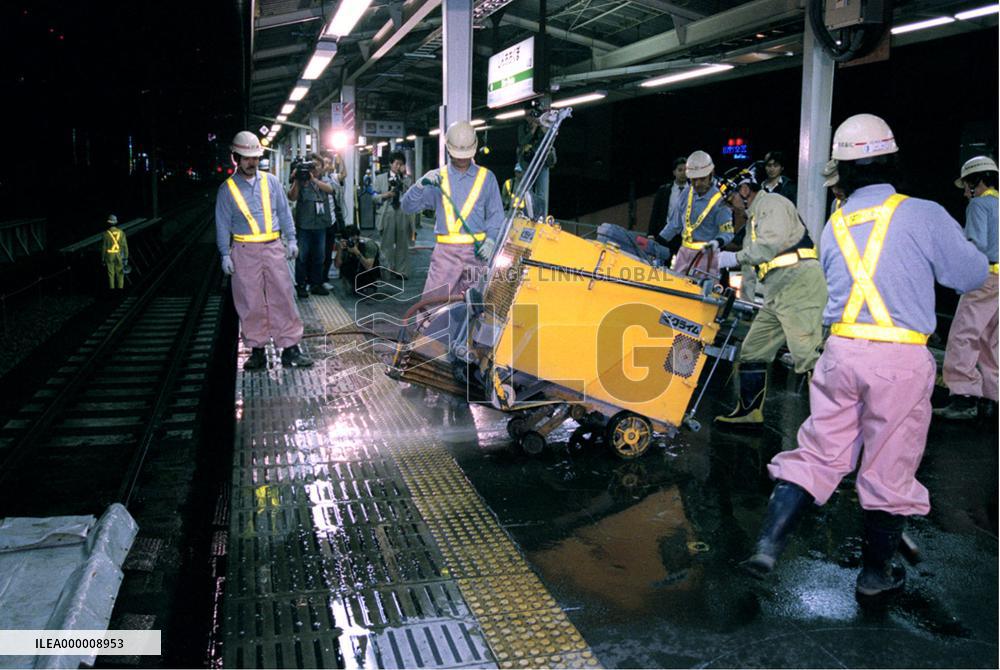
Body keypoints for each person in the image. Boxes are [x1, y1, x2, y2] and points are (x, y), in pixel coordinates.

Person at [741, 114, 987, 598]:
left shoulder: (836, 224)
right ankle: (875, 575)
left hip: (840, 352)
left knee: (818, 450)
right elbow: (972, 276)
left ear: (844, 173)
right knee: (889, 466)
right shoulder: (924, 213)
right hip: (899, 360)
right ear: (892, 161)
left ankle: (769, 542)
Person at [713, 169, 826, 428]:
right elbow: (760, 256)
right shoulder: (755, 218)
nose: (731, 204)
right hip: (778, 291)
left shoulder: (772, 204)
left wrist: (734, 258)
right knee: (753, 349)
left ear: (744, 190)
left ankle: (833, 423)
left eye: (730, 197)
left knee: (806, 354)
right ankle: (749, 413)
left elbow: (769, 245)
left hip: (799, 285)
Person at [215, 131, 312, 370]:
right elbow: (222, 223)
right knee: (250, 301)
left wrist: (291, 239)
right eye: (246, 158)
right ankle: (257, 350)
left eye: (255, 158)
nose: (252, 162)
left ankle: (290, 349)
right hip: (244, 250)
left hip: (273, 247)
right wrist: (224, 254)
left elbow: (284, 212)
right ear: (235, 158)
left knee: (283, 296)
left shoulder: (272, 182)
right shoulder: (226, 190)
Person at [401, 120, 503, 303]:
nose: (462, 158)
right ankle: (428, 332)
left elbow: (496, 216)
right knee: (433, 306)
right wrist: (419, 185)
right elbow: (407, 206)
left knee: (478, 306)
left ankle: (467, 333)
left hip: (478, 255)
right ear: (448, 149)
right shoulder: (437, 179)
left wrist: (491, 240)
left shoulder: (487, 178)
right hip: (445, 257)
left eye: (466, 153)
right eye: (458, 154)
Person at [935, 155, 999, 420]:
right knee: (991, 341)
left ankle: (962, 397)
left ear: (977, 181)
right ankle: (992, 398)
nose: (964, 192)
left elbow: (975, 246)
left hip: (984, 279)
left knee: (963, 335)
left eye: (966, 185)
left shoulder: (979, 205)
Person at [659, 150, 734, 277]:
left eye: (702, 179)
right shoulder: (686, 193)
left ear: (712, 174)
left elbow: (727, 232)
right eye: (693, 180)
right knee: (677, 289)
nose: (697, 184)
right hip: (683, 253)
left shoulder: (720, 201)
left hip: (706, 256)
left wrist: (717, 242)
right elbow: (674, 224)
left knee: (701, 292)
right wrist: (658, 241)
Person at [288, 153, 335, 298]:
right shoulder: (301, 180)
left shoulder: (325, 179)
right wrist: (296, 180)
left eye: (317, 166)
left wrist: (313, 180)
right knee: (302, 257)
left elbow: (330, 190)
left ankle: (316, 284)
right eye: (311, 165)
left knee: (319, 257)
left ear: (322, 167)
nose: (314, 168)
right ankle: (301, 285)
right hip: (304, 226)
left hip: (320, 225)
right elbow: (292, 196)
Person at [373, 151, 413, 280]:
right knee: (386, 244)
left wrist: (403, 177)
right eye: (396, 164)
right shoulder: (380, 178)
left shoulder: (407, 179)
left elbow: (411, 195)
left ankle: (401, 271)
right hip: (387, 211)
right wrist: (386, 195)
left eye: (401, 164)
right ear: (391, 164)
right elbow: (373, 197)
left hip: (402, 212)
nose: (398, 166)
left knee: (403, 243)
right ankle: (386, 270)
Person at [647, 157, 688, 248]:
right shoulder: (664, 191)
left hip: (685, 237)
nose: (683, 173)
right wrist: (651, 234)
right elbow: (655, 213)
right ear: (674, 172)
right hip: (665, 233)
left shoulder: (694, 192)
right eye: (680, 170)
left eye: (686, 170)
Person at [335, 225, 380, 295]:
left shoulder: (368, 244)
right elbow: (337, 265)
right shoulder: (345, 245)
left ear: (357, 237)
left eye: (353, 240)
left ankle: (368, 286)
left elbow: (369, 267)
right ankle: (351, 284)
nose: (351, 243)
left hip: (368, 274)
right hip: (353, 275)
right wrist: (340, 250)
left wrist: (356, 252)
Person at [101, 214, 128, 289]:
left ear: (108, 223)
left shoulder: (105, 234)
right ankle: (120, 290)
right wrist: (126, 257)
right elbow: (125, 246)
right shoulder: (121, 232)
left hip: (109, 256)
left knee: (111, 274)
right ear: (116, 222)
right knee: (120, 274)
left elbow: (104, 247)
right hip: (119, 255)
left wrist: (103, 258)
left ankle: (112, 291)